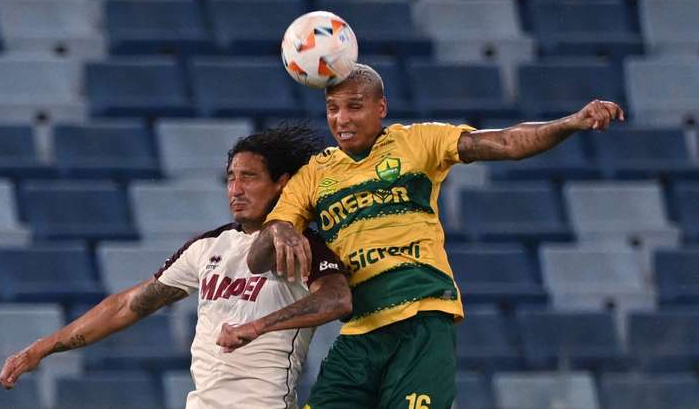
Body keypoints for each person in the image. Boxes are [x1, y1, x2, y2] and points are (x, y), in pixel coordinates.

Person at [246, 64, 626, 409]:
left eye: (354, 106)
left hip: (422, 320)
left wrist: (571, 122)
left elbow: (507, 143)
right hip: (360, 333)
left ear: (381, 108)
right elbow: (257, 257)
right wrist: (279, 227)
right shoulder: (315, 173)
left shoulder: (417, 142)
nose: (341, 119)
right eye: (333, 108)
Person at [0, 124, 352, 409]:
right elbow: (127, 305)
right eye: (231, 177)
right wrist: (42, 347)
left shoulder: (298, 244)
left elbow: (337, 299)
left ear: (282, 183)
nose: (236, 189)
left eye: (250, 177)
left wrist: (258, 326)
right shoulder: (208, 247)